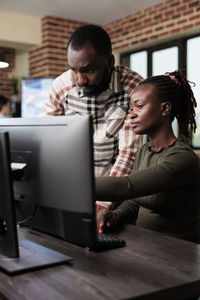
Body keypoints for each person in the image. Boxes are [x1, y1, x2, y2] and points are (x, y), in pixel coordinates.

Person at [45, 24, 143, 212]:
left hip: (116, 191)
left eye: (89, 70)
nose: (80, 79)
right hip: (70, 187)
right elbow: (51, 146)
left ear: (109, 61)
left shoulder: (134, 88)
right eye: (74, 70)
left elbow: (128, 153)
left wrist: (103, 204)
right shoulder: (60, 88)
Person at [95, 70, 200, 243]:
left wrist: (74, 185)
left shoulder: (182, 158)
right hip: (147, 245)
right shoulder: (145, 150)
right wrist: (115, 216)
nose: (131, 114)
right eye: (131, 108)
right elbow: (137, 198)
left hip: (180, 255)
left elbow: (127, 187)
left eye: (139, 106)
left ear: (165, 108)